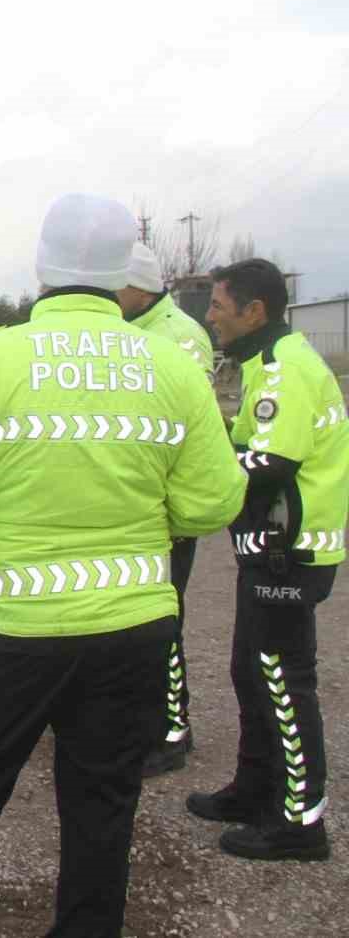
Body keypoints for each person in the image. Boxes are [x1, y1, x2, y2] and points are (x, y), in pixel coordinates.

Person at [0, 194, 245, 937]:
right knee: (103, 810)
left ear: (42, 266)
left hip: (14, 633)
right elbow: (212, 503)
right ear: (125, 274)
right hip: (132, 630)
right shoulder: (173, 367)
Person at [189, 257, 347, 862]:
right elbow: (249, 442)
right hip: (268, 548)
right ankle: (255, 790)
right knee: (250, 672)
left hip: (291, 553)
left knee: (283, 681)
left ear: (254, 312)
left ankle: (302, 823)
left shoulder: (284, 369)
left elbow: (269, 463)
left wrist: (197, 472)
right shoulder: (264, 365)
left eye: (219, 307)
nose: (211, 318)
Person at [116, 242, 217, 777]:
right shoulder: (139, 330)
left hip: (167, 510)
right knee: (139, 621)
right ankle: (141, 719)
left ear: (135, 287)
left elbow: (188, 434)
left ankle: (171, 731)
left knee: (163, 619)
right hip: (139, 505)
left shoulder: (178, 337)